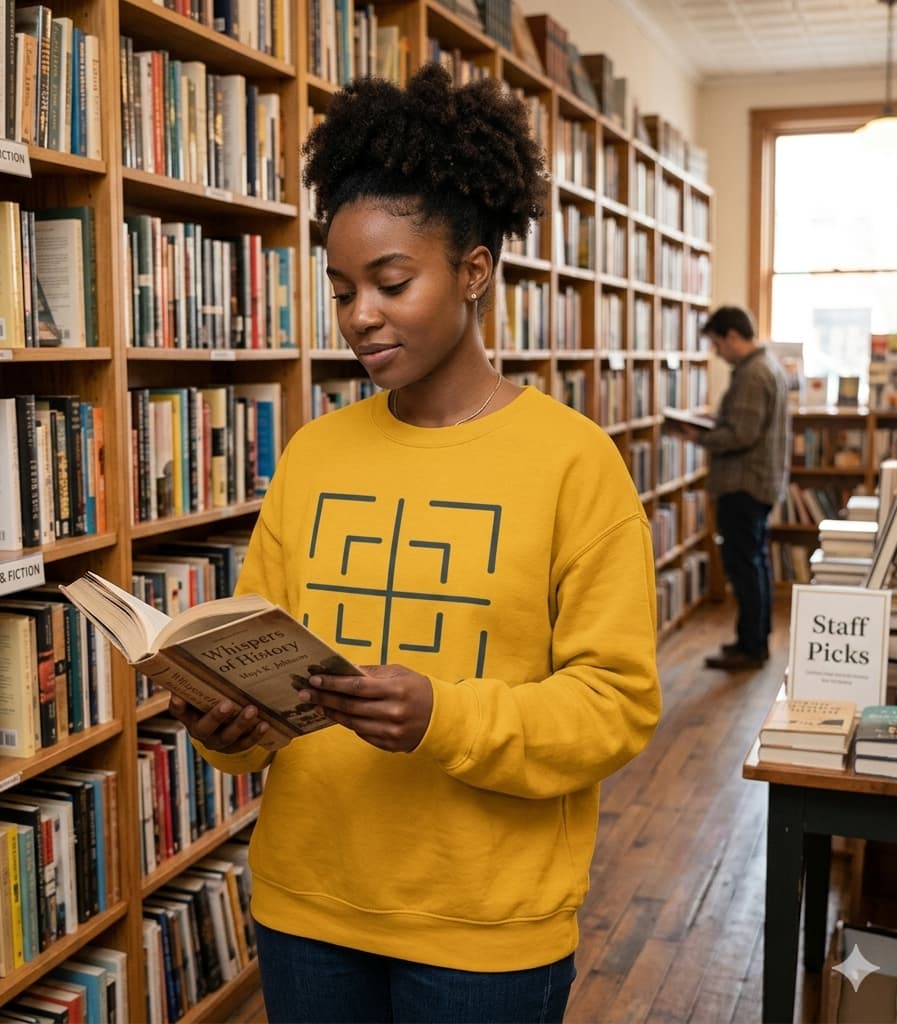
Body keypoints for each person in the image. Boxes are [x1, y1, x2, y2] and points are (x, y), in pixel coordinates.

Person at [167, 63, 661, 1023]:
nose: (359, 315)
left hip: (485, 930)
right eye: (342, 288)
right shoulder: (314, 456)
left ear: (474, 270)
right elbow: (257, 650)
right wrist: (227, 728)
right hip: (307, 908)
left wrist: (443, 716)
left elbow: (614, 707)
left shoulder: (574, 462)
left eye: (392, 282)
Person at [669, 305, 788, 671]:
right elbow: (743, 423)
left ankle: (751, 646)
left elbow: (742, 434)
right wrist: (715, 422)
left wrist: (699, 436)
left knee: (745, 566)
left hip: (744, 485)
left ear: (733, 336)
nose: (717, 353)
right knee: (755, 563)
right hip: (758, 482)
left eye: (718, 344)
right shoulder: (766, 367)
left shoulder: (752, 375)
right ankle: (754, 640)